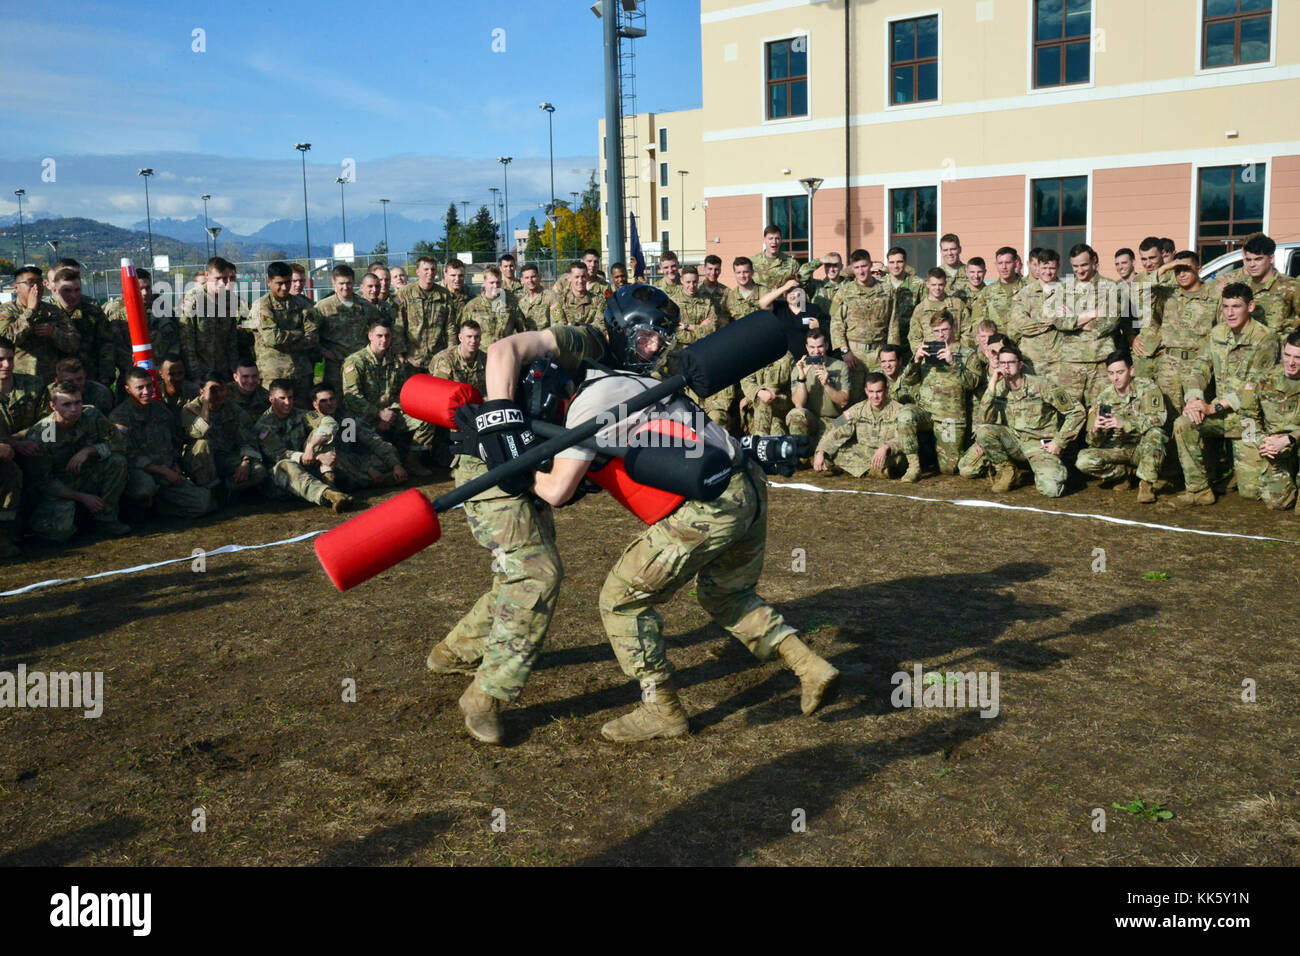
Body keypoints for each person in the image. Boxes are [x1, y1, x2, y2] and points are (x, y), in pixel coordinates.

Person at [448, 285, 839, 744]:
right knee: (727, 596)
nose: (655, 349)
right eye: (649, 338)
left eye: (660, 339)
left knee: (621, 601)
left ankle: (662, 709)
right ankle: (810, 666)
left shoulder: (591, 405)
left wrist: (515, 470)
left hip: (710, 504)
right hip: (747, 484)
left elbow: (555, 491)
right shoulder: (642, 380)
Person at [1168, 283, 1279, 507]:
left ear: (1250, 306)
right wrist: (1193, 399)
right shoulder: (1218, 333)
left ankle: (1237, 470)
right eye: (1226, 306)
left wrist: (1213, 407)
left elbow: (1255, 386)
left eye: (1236, 306)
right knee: (1184, 423)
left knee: (1252, 492)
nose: (1229, 312)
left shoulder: (1265, 338)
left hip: (1249, 420)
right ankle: (1198, 490)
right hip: (1219, 416)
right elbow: (1200, 367)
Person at [19, 382, 131, 542]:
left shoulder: (90, 415)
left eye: (78, 402)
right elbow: (43, 482)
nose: (74, 409)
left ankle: (106, 520)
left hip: (86, 475)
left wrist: (89, 451)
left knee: (117, 462)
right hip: (59, 486)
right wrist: (83, 498)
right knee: (57, 534)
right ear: (53, 406)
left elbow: (119, 443)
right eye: (66, 404)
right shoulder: (45, 432)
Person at [971, 344, 1085, 497]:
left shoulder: (1042, 385)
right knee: (984, 432)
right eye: (1002, 363)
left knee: (1052, 490)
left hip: (1039, 446)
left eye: (1011, 362)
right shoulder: (998, 387)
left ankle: (1054, 468)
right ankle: (1008, 472)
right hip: (1014, 442)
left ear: (1020, 364)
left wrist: (1059, 442)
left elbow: (1077, 411)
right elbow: (984, 420)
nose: (1006, 367)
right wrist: (992, 384)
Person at [110, 368, 214, 520]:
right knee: (144, 489)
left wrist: (175, 463)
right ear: (128, 389)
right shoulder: (119, 417)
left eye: (149, 386)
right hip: (141, 473)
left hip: (167, 472)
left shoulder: (160, 410)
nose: (146, 391)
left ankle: (159, 507)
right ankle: (137, 511)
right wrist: (163, 471)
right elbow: (128, 456)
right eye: (140, 387)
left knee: (204, 503)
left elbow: (175, 440)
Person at [1133, 250, 1220, 416]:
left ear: (1199, 269)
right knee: (1168, 415)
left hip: (1198, 366)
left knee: (1195, 416)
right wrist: (1167, 267)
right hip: (1169, 365)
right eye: (1177, 270)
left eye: (1186, 269)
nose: (1181, 274)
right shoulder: (1168, 293)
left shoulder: (1214, 295)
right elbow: (1138, 289)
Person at [342, 319, 433, 476]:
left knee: (427, 418)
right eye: (379, 336)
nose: (383, 340)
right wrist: (378, 414)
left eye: (387, 336)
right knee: (348, 431)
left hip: (390, 413)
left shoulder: (394, 361)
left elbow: (403, 391)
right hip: (362, 416)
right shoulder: (355, 362)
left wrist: (391, 412)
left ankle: (412, 460)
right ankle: (360, 467)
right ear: (370, 336)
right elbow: (352, 397)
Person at [1075, 352, 1168, 503]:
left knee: (1156, 433)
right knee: (1084, 460)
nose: (1115, 378)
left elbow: (1158, 420)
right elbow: (1093, 442)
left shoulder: (1148, 388)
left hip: (1142, 447)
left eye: (1120, 372)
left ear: (1131, 371)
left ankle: (1146, 484)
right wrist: (1096, 430)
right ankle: (1122, 475)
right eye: (1111, 374)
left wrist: (1124, 423)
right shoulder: (1103, 397)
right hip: (1118, 448)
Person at [899, 312, 980, 476]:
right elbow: (907, 381)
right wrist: (915, 361)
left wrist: (953, 363)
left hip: (950, 417)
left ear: (954, 328)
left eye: (945, 329)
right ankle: (913, 467)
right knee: (905, 415)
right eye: (936, 331)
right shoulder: (928, 350)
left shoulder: (967, 353)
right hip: (926, 412)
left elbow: (972, 383)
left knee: (949, 469)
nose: (941, 334)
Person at [254, 379, 352, 512]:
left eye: (290, 397)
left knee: (320, 433)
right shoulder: (263, 426)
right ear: (271, 399)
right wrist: (316, 456)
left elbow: (329, 421)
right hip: (280, 480)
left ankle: (330, 484)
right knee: (285, 464)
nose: (287, 403)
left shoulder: (301, 414)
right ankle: (329, 495)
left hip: (308, 470)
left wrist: (311, 446)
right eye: (282, 398)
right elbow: (278, 454)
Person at [180, 372, 268, 502]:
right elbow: (199, 433)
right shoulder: (190, 409)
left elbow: (248, 438)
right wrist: (206, 403)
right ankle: (209, 491)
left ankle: (226, 490)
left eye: (222, 389)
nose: (219, 394)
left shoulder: (233, 409)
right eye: (213, 390)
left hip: (225, 458)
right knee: (202, 444)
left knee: (258, 471)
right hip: (199, 463)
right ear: (202, 392)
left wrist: (246, 462)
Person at [813, 373, 918, 480]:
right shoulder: (857, 409)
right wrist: (821, 451)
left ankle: (867, 469)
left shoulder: (899, 411)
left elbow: (906, 439)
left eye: (879, 391)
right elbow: (836, 429)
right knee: (833, 452)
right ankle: (874, 470)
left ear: (886, 390)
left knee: (898, 459)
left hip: (889, 454)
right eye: (871, 392)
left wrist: (887, 446)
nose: (875, 396)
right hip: (864, 451)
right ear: (866, 391)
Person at [1055, 243, 1122, 407]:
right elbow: (1058, 322)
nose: (1079, 270)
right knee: (1068, 413)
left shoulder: (1111, 288)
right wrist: (1093, 313)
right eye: (1075, 266)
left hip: (1100, 362)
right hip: (1070, 363)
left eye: (1084, 265)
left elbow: (1108, 323)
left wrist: (1073, 319)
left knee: (1103, 410)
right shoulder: (1064, 289)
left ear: (1094, 261)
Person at [305, 383, 406, 490]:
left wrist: (395, 464)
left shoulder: (345, 418)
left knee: (386, 455)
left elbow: (371, 439)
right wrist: (368, 468)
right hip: (323, 463)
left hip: (351, 461)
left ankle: (361, 481)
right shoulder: (312, 419)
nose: (329, 403)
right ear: (315, 404)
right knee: (334, 460)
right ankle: (376, 481)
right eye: (323, 401)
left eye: (332, 399)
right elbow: (334, 455)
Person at [251, 261, 321, 407]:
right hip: (274, 373)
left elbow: (313, 337)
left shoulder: (302, 304)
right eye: (279, 283)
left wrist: (287, 339)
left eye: (288, 282)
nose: (285, 287)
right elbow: (273, 338)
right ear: (269, 282)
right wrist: (299, 333)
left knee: (303, 414)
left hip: (301, 373)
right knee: (274, 414)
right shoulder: (263, 306)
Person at [1, 266, 82, 383]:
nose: (37, 287)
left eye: (39, 283)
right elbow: (7, 340)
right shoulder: (6, 311)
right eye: (31, 283)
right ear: (16, 287)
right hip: (20, 383)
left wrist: (54, 333)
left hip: (51, 380)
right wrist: (30, 311)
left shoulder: (53, 311)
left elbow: (74, 343)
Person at [105, 267, 180, 387]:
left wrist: (166, 366)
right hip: (132, 377)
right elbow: (113, 346)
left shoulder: (163, 307)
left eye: (148, 288)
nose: (145, 293)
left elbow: (175, 338)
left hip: (162, 375)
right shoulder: (116, 311)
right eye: (140, 289)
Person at [830, 249, 897, 382]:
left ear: (871, 265)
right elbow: (836, 322)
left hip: (879, 353)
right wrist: (844, 351)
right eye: (856, 267)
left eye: (864, 266)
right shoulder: (843, 291)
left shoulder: (887, 290)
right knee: (855, 397)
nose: (861, 271)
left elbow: (893, 323)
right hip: (854, 355)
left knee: (881, 394)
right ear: (852, 269)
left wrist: (890, 354)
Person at [180, 257, 245, 382]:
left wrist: (234, 369)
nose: (222, 283)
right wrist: (195, 375)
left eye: (225, 278)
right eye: (217, 279)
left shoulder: (229, 300)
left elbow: (232, 340)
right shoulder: (194, 299)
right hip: (202, 371)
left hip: (224, 370)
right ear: (207, 276)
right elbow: (187, 343)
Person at [315, 264, 380, 388]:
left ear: (354, 282)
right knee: (336, 402)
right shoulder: (322, 308)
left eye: (349, 283)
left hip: (361, 364)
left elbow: (378, 330)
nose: (345, 287)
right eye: (341, 283)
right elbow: (311, 334)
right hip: (335, 365)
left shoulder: (366, 307)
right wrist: (323, 351)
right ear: (333, 283)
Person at [787, 328, 851, 452]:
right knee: (795, 414)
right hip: (810, 420)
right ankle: (801, 453)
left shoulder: (840, 367)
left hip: (833, 420)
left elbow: (843, 402)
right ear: (806, 347)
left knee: (828, 461)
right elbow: (799, 404)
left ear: (826, 345)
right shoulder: (799, 368)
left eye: (820, 346)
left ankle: (817, 450)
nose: (816, 351)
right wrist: (801, 379)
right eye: (812, 347)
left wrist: (827, 384)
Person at [1255, 332, 1300, 511]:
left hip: (1293, 441)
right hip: (1276, 447)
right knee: (1277, 503)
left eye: (1298, 357)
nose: (1291, 362)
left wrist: (1289, 439)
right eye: (1287, 355)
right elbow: (1247, 417)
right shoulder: (1265, 379)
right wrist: (1261, 441)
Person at [48, 267, 114, 387]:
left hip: (88, 375)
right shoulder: (46, 312)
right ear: (55, 290)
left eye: (77, 290)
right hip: (55, 379)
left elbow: (106, 342)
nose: (73, 295)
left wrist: (106, 373)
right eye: (67, 290)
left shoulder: (91, 310)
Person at [392, 256, 454, 371]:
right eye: (426, 269)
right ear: (418, 272)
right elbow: (398, 326)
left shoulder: (444, 295)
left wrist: (452, 352)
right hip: (412, 359)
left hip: (438, 357)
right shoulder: (404, 294)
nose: (430, 273)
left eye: (433, 269)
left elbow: (450, 326)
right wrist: (399, 353)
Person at [909, 267, 971, 353]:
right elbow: (914, 338)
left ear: (945, 284)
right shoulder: (920, 309)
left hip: (955, 357)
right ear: (927, 284)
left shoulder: (958, 305)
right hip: (930, 357)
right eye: (933, 285)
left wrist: (959, 353)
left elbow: (967, 332)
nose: (937, 288)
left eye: (940, 284)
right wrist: (921, 352)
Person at [460, 266, 526, 346]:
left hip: (505, 352)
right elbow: (464, 335)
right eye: (491, 283)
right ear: (484, 282)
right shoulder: (472, 306)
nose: (495, 286)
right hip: (481, 355)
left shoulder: (511, 305)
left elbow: (523, 331)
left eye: (498, 282)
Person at [971, 247, 1024, 333]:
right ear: (996, 265)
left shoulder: (1028, 289)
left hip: (1023, 344)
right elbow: (977, 323)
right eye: (1000, 263)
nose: (1004, 267)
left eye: (1008, 263)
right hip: (995, 343)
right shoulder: (987, 292)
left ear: (1016, 263)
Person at [884, 247, 926, 345]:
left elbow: (924, 311)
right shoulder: (880, 285)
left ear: (905, 263)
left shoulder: (918, 284)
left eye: (899, 262)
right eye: (892, 262)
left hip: (910, 340)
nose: (895, 266)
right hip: (885, 341)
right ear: (887, 263)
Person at [547, 261, 603, 331]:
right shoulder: (559, 301)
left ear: (587, 277)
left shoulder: (599, 300)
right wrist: (587, 326)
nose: (580, 281)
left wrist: (572, 326)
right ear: (569, 278)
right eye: (577, 277)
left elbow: (600, 327)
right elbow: (559, 329)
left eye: (583, 277)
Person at [48, 358, 114, 412]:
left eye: (79, 379)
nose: (76, 384)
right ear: (57, 381)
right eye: (69, 381)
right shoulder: (49, 393)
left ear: (85, 376)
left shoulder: (100, 393)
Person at [721, 256, 766, 323]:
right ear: (735, 274)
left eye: (745, 272)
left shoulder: (764, 292)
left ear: (752, 272)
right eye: (738, 272)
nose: (742, 276)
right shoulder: (729, 297)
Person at [515, 263, 553, 331]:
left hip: (544, 339)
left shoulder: (550, 297)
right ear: (522, 280)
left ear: (539, 277)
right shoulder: (519, 299)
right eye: (527, 278)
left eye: (533, 277)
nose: (530, 280)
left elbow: (558, 325)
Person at [938, 233, 971, 299]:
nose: (949, 253)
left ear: (960, 249)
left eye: (953, 249)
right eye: (945, 250)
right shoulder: (936, 274)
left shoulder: (971, 273)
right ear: (941, 251)